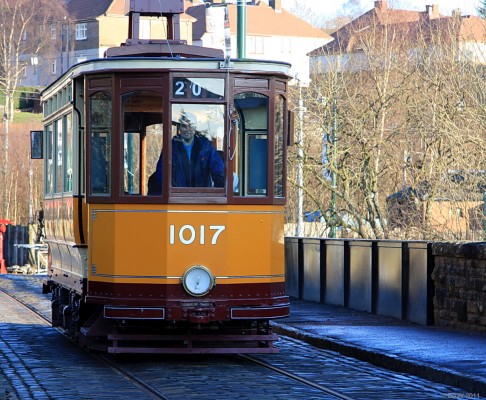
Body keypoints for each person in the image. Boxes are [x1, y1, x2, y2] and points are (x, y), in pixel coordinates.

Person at [148, 113, 225, 194]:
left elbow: (219, 171)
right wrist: (168, 195)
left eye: (191, 126)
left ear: (195, 128)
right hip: (176, 199)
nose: (188, 129)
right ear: (180, 128)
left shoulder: (206, 147)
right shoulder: (170, 147)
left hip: (202, 199)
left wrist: (218, 194)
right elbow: (162, 174)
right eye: (184, 126)